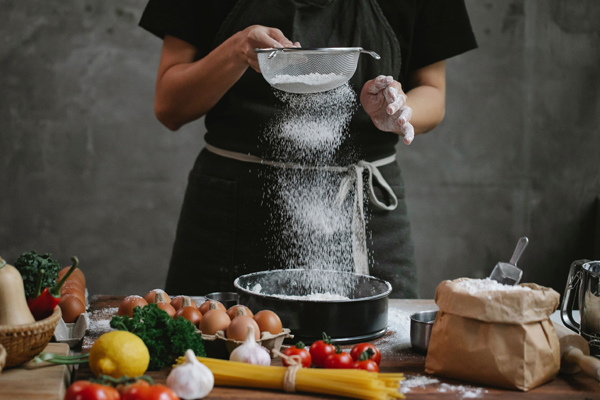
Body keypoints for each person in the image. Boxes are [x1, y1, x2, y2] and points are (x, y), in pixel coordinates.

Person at [139, 0, 477, 298]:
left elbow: (433, 91)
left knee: (376, 359)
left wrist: (396, 110)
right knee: (217, 355)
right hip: (233, 213)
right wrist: (236, 50)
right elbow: (169, 106)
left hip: (364, 209)